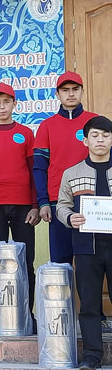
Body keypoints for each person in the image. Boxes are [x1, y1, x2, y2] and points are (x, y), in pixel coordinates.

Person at [0, 83, 39, 331]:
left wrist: (35, 205)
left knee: (25, 263)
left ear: (14, 104)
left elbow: (34, 171)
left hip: (24, 207)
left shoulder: (26, 133)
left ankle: (27, 315)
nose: (2, 107)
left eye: (6, 102)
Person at [56, 116, 112, 370]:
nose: (100, 140)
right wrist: (70, 218)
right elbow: (62, 206)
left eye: (106, 135)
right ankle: (92, 356)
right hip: (86, 247)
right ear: (85, 140)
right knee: (88, 304)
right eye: (95, 135)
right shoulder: (72, 173)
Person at [34, 71, 97, 265]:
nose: (70, 94)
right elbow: (39, 167)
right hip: (58, 202)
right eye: (65, 90)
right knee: (61, 262)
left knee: (92, 262)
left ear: (82, 91)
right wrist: (43, 202)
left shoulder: (95, 122)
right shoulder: (46, 126)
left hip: (93, 201)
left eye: (75, 89)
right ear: (57, 94)